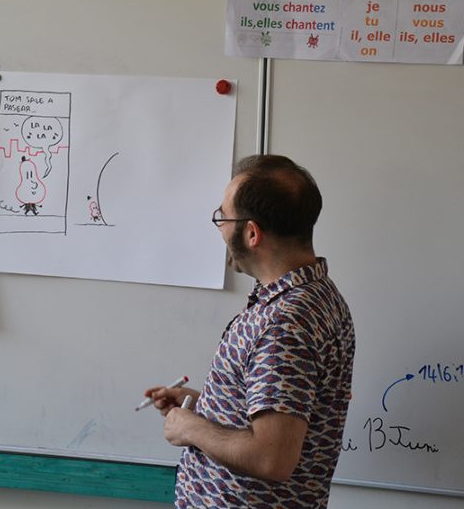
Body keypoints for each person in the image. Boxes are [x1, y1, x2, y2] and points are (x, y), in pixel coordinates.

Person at [144, 154, 355, 508]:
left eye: (223, 218)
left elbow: (271, 458)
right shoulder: (316, 294)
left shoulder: (285, 324)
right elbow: (280, 408)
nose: (220, 229)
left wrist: (190, 428)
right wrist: (204, 406)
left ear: (252, 233)